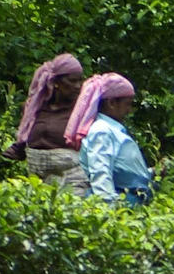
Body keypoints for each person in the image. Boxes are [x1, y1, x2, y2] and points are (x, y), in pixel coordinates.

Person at [69, 74, 153, 204]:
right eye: (127, 104)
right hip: (122, 202)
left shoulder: (109, 130)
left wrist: (151, 173)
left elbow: (122, 171)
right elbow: (101, 174)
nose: (129, 110)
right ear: (111, 103)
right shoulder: (101, 131)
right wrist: (110, 209)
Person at [14, 54, 89, 192]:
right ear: (56, 82)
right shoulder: (36, 108)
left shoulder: (82, 110)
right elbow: (25, 135)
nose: (78, 86)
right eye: (72, 81)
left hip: (73, 181)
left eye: (80, 81)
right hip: (38, 181)